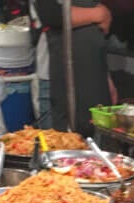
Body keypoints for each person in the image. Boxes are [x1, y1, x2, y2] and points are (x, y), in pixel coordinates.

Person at [33, 0, 117, 135]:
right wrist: (97, 13)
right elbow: (52, 14)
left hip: (92, 77)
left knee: (92, 142)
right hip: (59, 79)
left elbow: (97, 36)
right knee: (61, 143)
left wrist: (105, 77)